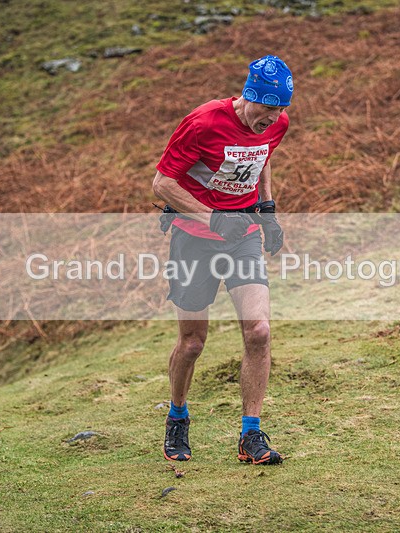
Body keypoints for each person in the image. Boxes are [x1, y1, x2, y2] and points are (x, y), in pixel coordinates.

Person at [152, 54, 293, 465]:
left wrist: (267, 212)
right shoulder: (203, 123)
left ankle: (251, 434)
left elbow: (263, 157)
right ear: (250, 97)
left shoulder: (276, 125)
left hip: (242, 237)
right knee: (193, 342)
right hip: (193, 239)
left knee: (259, 331)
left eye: (281, 109)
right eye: (268, 108)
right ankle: (177, 416)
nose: (274, 117)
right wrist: (213, 219)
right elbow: (162, 183)